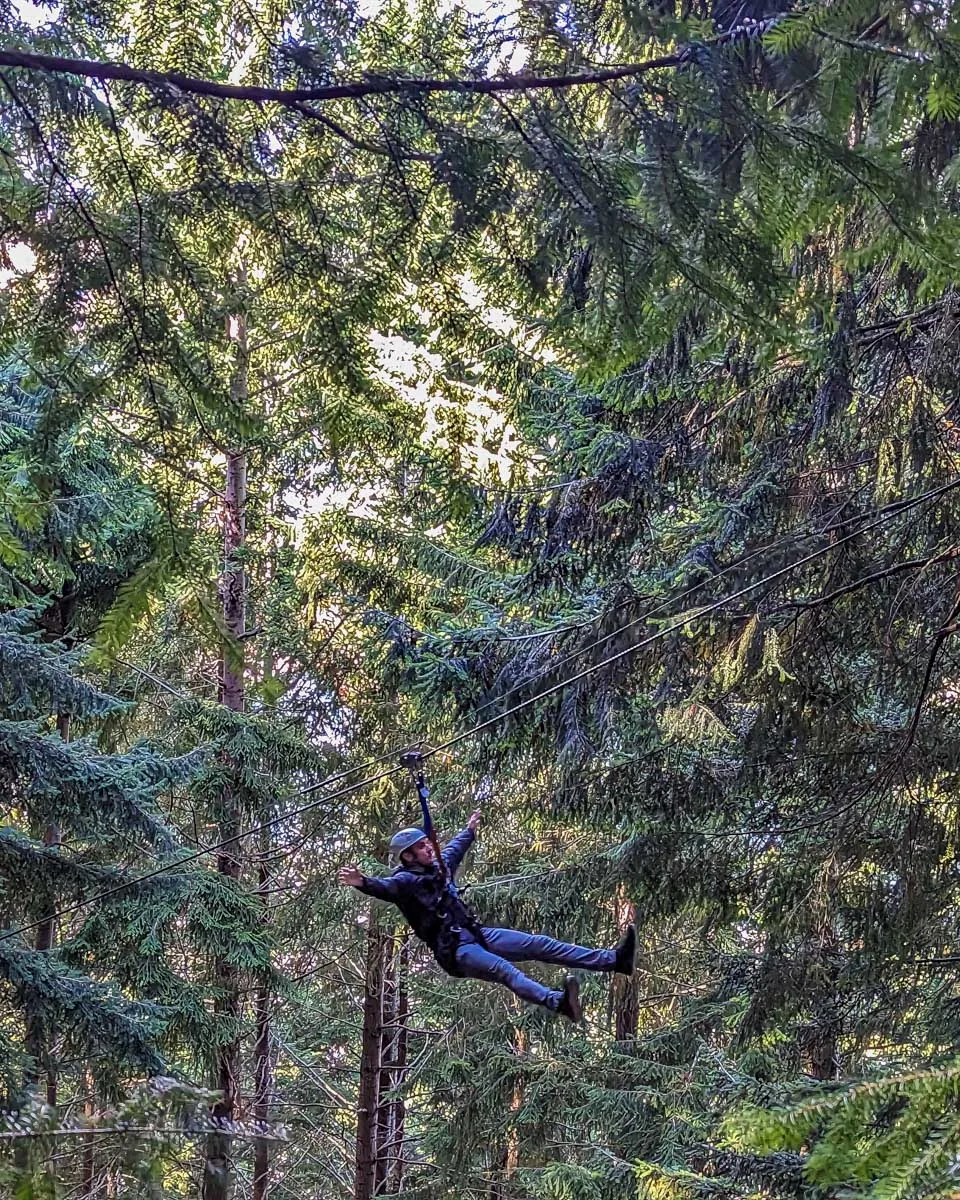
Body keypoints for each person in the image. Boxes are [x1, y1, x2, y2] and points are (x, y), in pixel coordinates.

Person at [337, 808, 636, 1022]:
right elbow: (384, 888)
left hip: (477, 935)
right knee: (506, 971)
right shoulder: (405, 882)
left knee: (539, 944)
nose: (428, 848)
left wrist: (469, 831)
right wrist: (362, 882)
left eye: (427, 843)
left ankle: (613, 960)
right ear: (408, 856)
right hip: (458, 952)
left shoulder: (439, 868)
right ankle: (558, 1003)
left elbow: (453, 849)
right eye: (421, 847)